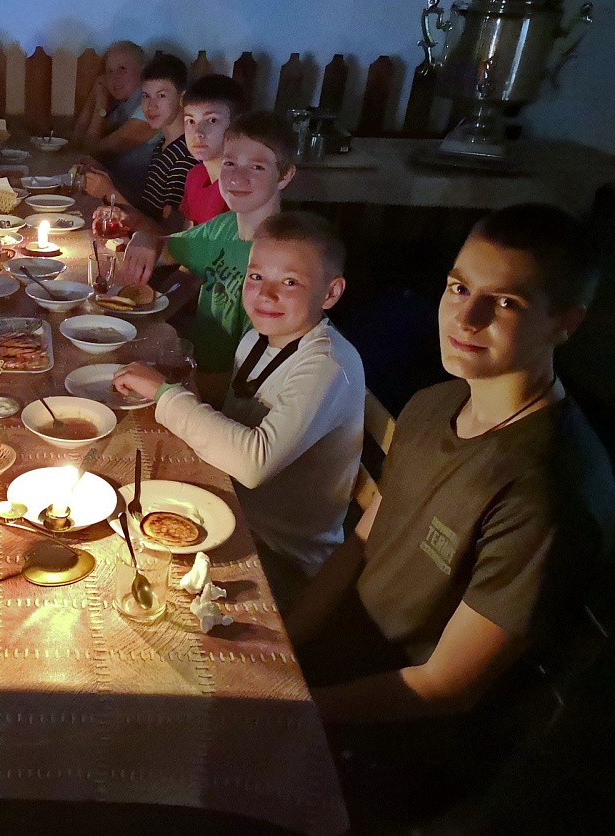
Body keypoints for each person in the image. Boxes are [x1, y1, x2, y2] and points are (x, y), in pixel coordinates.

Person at [286, 204, 614, 810]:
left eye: (506, 303)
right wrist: (290, 635)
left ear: (565, 322)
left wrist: (293, 708)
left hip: (393, 742)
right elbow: (365, 538)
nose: (466, 317)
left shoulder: (544, 492)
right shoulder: (436, 403)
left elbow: (446, 687)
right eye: (458, 288)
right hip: (329, 663)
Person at [113, 212, 364, 604]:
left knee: (129, 574)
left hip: (278, 556)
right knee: (119, 502)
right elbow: (233, 414)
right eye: (256, 276)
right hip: (231, 508)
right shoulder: (258, 339)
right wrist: (167, 379)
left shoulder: (327, 365)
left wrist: (164, 393)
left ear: (330, 293)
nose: (265, 294)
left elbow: (252, 463)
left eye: (290, 282)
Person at [121, 111, 298, 374]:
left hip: (232, 388)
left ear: (284, 176)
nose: (236, 178)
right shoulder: (222, 228)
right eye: (229, 163)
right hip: (197, 368)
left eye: (256, 167)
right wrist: (145, 238)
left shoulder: (286, 257)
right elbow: (166, 250)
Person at [83, 53, 194, 223]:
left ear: (182, 99)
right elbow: (147, 209)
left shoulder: (185, 158)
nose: (150, 106)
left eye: (161, 96)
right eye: (146, 96)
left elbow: (166, 233)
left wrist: (110, 193)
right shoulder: (163, 146)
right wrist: (105, 176)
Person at [178, 74, 248, 226]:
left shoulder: (239, 187)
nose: (198, 132)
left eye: (212, 120)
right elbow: (185, 235)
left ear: (237, 124)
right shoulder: (195, 176)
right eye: (190, 121)